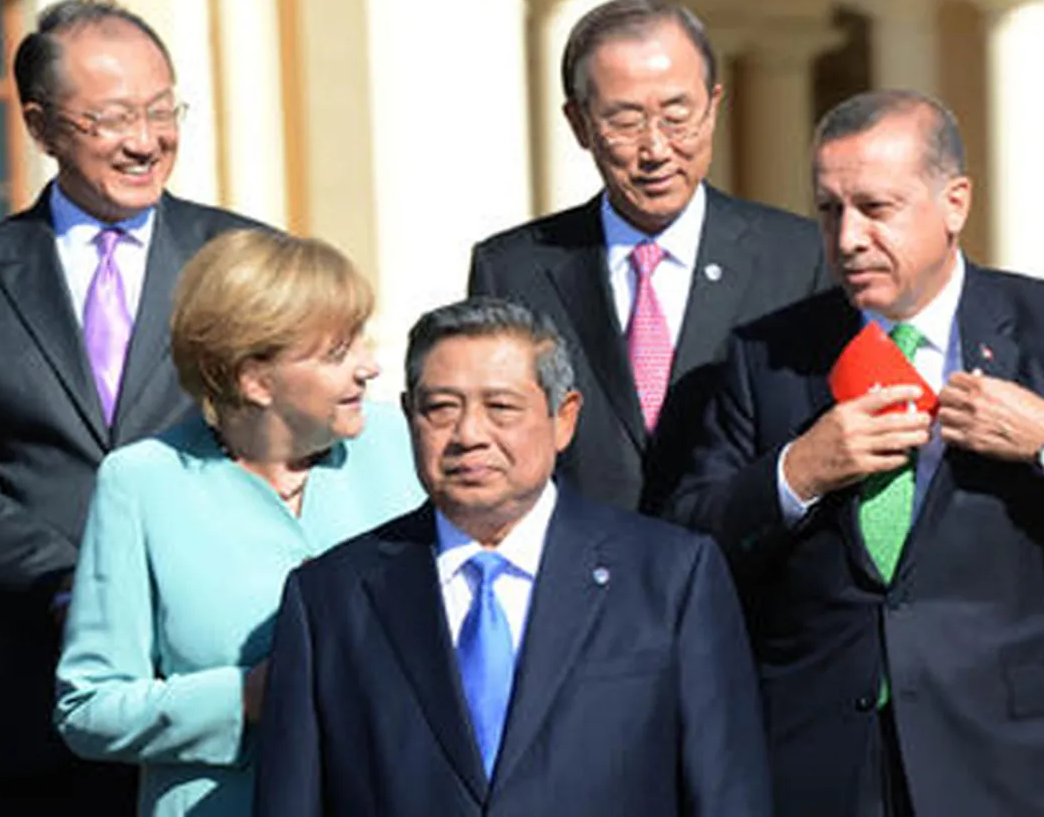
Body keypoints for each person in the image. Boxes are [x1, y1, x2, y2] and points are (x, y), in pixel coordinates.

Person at [664, 89, 1044, 817]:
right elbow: (685, 541)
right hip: (820, 767)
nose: (848, 237)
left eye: (875, 208)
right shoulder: (767, 353)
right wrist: (796, 473)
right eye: (829, 210)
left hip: (1008, 766)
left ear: (955, 204)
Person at [254, 297, 771, 817]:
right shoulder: (331, 598)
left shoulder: (670, 577)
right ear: (410, 416)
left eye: (500, 407)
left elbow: (726, 794)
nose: (469, 435)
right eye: (441, 408)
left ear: (563, 418)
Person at [0, 0, 270, 815]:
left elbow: (297, 445)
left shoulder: (248, 261)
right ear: (40, 126)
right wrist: (87, 586)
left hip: (224, 679)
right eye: (110, 119)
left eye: (161, 111)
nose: (145, 141)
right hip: (36, 680)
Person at [53, 228, 424, 817]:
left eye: (361, 341)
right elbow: (89, 710)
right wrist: (244, 698)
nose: (369, 368)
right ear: (255, 379)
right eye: (336, 353)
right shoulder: (141, 482)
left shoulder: (405, 445)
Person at [469, 0, 828, 513]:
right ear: (579, 124)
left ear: (713, 107)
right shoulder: (513, 270)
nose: (656, 149)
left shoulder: (798, 259)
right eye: (626, 121)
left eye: (677, 116)